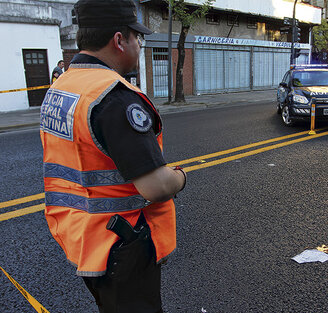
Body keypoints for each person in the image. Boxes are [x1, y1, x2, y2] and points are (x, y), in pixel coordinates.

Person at [39, 0, 186, 312]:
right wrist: (180, 177)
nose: (139, 44)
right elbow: (156, 187)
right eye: (137, 38)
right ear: (119, 40)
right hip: (123, 244)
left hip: (81, 236)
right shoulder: (113, 98)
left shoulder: (62, 86)